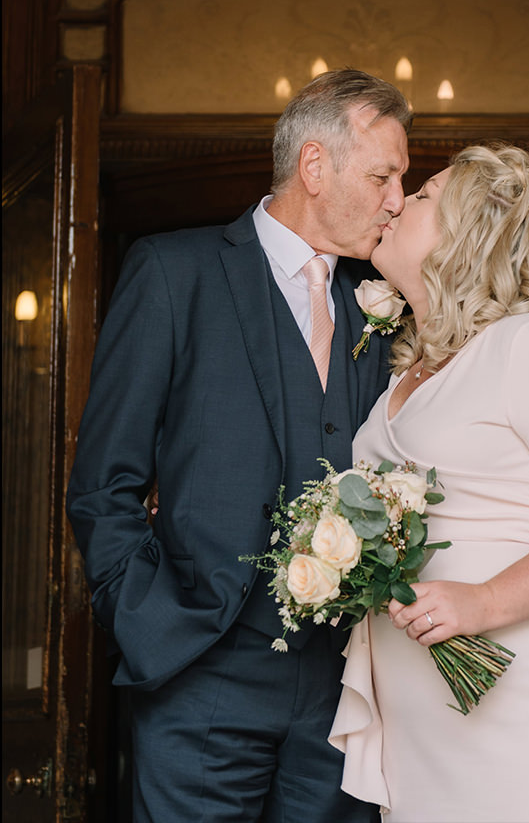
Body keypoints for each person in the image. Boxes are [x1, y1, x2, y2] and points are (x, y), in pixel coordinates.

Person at [66, 69, 412, 821]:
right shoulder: (173, 271)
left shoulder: (380, 299)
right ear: (314, 166)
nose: (396, 200)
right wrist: (144, 614)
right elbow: (103, 482)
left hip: (346, 689)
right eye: (383, 175)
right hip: (201, 671)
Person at [329, 142, 529, 822]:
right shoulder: (403, 371)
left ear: (467, 232)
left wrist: (483, 601)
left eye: (420, 196)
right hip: (425, 716)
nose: (395, 202)